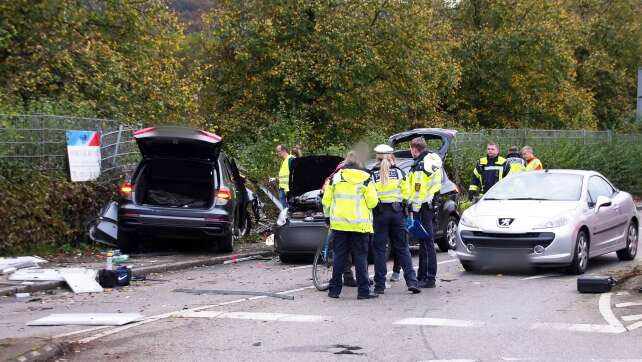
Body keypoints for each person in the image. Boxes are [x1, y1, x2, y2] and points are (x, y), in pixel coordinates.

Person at [322, 151, 379, 300]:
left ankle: (334, 290)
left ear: (346, 161)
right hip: (360, 226)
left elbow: (326, 200)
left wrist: (328, 217)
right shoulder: (366, 178)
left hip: (339, 224)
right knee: (360, 258)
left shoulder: (335, 177)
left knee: (339, 257)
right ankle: (363, 291)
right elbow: (373, 202)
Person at [370, 144, 420, 294]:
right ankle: (412, 282)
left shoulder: (372, 174)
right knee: (402, 248)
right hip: (397, 213)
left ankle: (379, 285)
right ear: (392, 156)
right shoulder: (399, 173)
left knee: (379, 250)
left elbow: (370, 197)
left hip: (379, 214)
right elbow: (407, 195)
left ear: (377, 157)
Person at [407, 138, 442, 289]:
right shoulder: (430, 161)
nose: (410, 152)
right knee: (424, 242)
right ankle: (423, 275)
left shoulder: (422, 166)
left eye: (410, 149)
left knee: (427, 242)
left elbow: (418, 190)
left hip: (422, 207)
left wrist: (413, 208)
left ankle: (429, 278)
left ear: (415, 149)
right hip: (428, 205)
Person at [275, 144, 295, 208]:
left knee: (290, 209)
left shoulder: (291, 159)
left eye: (278, 151)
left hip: (289, 190)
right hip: (282, 189)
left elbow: (295, 174)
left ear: (284, 151)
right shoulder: (283, 161)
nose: (277, 153)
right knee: (285, 210)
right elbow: (284, 175)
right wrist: (275, 179)